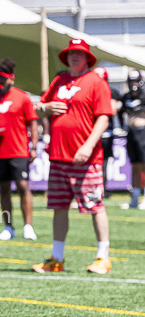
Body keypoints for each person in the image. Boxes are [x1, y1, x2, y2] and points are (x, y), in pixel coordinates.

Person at [32, 39, 112, 275]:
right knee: (59, 206)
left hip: (85, 158)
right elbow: (39, 108)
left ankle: (103, 257)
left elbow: (104, 118)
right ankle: (56, 258)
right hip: (58, 157)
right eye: (71, 54)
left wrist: (88, 145)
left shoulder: (96, 82)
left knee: (95, 206)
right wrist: (45, 108)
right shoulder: (59, 81)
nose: (75, 57)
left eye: (79, 54)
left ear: (87, 57)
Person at [0, 58, 39, 241]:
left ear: (11, 79)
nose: (0, 83)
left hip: (19, 151)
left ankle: (28, 226)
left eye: (3, 79)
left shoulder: (22, 97)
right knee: (4, 190)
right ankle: (8, 227)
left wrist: (35, 146)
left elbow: (33, 123)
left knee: (23, 186)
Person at [92, 67, 122, 196]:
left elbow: (112, 109)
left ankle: (101, 190)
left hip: (106, 134)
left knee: (103, 164)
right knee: (91, 164)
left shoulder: (111, 92)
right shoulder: (90, 91)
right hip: (91, 134)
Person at [119, 69, 145, 210]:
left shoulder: (144, 95)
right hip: (131, 132)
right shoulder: (126, 97)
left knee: (144, 166)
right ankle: (134, 198)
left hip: (143, 132)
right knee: (135, 166)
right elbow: (120, 111)